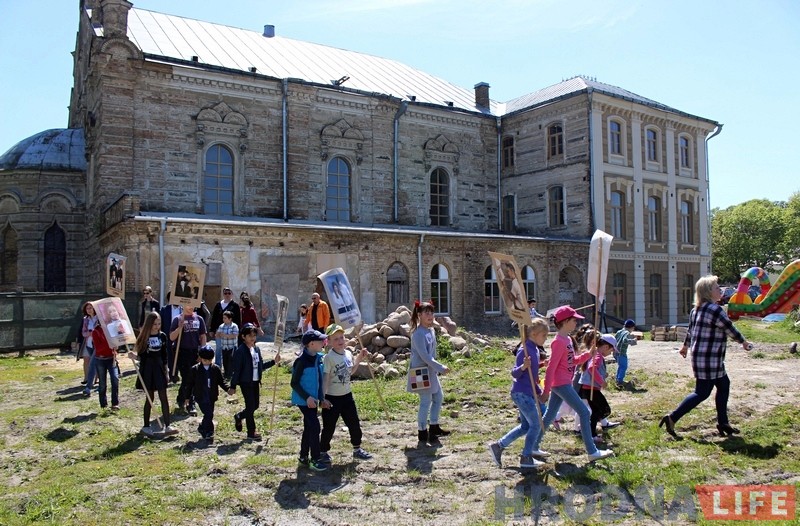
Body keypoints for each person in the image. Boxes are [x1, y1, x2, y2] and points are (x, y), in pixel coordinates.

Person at [660, 275, 752, 438]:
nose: (720, 290)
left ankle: (723, 423)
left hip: (703, 357)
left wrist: (685, 346)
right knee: (702, 392)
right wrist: (743, 342)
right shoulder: (715, 310)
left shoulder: (696, 310)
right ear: (708, 292)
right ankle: (672, 417)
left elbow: (690, 330)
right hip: (710, 358)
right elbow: (729, 328)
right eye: (717, 287)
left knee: (724, 385)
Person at [532, 306, 614, 461]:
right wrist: (546, 391)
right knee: (584, 412)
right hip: (561, 384)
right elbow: (551, 368)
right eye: (574, 320)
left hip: (563, 383)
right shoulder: (558, 342)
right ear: (565, 321)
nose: (576, 323)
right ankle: (592, 451)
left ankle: (533, 446)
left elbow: (573, 361)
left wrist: (588, 354)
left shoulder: (568, 339)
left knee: (549, 415)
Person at [487, 318, 550, 469]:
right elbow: (515, 373)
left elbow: (532, 376)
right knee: (536, 425)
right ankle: (526, 457)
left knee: (526, 426)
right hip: (521, 393)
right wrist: (523, 366)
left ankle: (498, 446)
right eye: (544, 335)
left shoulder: (535, 349)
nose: (546, 339)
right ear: (534, 334)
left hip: (527, 393)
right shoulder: (524, 350)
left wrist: (539, 390)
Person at [319, 324, 373, 464]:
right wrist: (322, 398)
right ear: (329, 342)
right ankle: (322, 451)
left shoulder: (348, 353)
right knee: (329, 427)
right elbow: (325, 378)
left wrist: (359, 358)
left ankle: (357, 449)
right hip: (332, 398)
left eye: (341, 337)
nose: (340, 341)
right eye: (335, 339)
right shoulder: (329, 358)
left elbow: (350, 371)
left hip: (347, 396)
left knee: (354, 423)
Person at [407, 300, 450, 444]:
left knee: (438, 397)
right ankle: (422, 432)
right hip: (420, 372)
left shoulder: (430, 330)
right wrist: (440, 367)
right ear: (419, 315)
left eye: (431, 312)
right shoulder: (417, 333)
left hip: (431, 371)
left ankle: (434, 427)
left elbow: (432, 353)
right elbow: (425, 356)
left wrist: (436, 368)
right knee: (425, 401)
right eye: (427, 313)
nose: (430, 315)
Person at [229, 323, 280, 441]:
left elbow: (260, 365)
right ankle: (251, 432)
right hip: (245, 382)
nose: (252, 338)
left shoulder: (256, 349)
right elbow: (237, 370)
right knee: (250, 406)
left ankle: (239, 416)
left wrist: (273, 362)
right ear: (243, 337)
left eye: (254, 335)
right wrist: (233, 386)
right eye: (250, 336)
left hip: (256, 382)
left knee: (255, 405)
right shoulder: (240, 351)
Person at [132, 311, 176, 435]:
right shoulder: (143, 338)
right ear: (149, 324)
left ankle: (168, 425)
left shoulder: (162, 336)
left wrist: (166, 369)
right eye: (154, 324)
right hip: (147, 369)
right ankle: (146, 426)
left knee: (164, 397)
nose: (157, 326)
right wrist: (134, 356)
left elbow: (164, 355)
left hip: (159, 368)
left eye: (159, 324)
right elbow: (141, 356)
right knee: (149, 398)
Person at [291, 329, 328, 471]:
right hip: (303, 401)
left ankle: (303, 457)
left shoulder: (318, 358)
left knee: (309, 427)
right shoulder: (301, 361)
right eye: (320, 341)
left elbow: (319, 380)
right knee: (315, 427)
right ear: (311, 344)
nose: (323, 342)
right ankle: (315, 459)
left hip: (313, 400)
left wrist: (321, 398)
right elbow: (294, 383)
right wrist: (307, 398)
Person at [578, 334, 617, 442]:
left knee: (596, 411)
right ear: (605, 347)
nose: (610, 353)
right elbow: (591, 369)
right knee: (605, 410)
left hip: (587, 389)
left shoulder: (595, 354)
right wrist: (602, 382)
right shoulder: (598, 356)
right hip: (591, 389)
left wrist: (603, 375)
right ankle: (587, 425)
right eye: (611, 350)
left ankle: (592, 434)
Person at [186, 345, 230, 443]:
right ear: (201, 358)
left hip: (211, 396)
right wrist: (187, 397)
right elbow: (189, 384)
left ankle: (203, 428)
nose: (207, 362)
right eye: (205, 360)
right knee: (208, 414)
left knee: (209, 414)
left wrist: (228, 389)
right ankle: (209, 431)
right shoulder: (195, 369)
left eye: (209, 360)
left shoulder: (215, 369)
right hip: (201, 396)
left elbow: (221, 381)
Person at [170, 304, 207, 416]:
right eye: (189, 304)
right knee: (187, 377)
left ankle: (181, 398)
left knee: (193, 378)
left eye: (193, 304)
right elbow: (171, 337)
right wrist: (179, 328)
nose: (191, 307)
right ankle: (191, 404)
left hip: (195, 352)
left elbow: (203, 336)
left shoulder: (199, 319)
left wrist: (202, 352)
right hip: (182, 352)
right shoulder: (177, 319)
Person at [90, 323, 120, 411]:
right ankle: (103, 404)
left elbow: (117, 343)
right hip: (100, 360)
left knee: (115, 379)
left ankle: (115, 403)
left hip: (112, 359)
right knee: (102, 383)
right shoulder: (96, 331)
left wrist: (116, 345)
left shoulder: (112, 329)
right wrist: (110, 344)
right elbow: (98, 348)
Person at [159, 294, 183, 378]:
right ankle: (171, 374)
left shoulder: (183, 310)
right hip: (167, 336)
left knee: (179, 355)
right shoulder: (164, 309)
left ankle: (177, 373)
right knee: (169, 356)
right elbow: (160, 323)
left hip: (180, 337)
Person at [80, 302, 99, 395]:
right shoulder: (85, 319)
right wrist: (89, 333)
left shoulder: (98, 318)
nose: (89, 310)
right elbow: (83, 332)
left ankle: (90, 386)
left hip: (98, 344)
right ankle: (89, 380)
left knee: (94, 363)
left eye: (91, 308)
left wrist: (94, 333)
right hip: (88, 343)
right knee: (89, 361)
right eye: (87, 308)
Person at [215, 311, 239, 379]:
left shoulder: (234, 326)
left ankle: (230, 374)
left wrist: (225, 335)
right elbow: (217, 335)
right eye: (223, 318)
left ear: (230, 319)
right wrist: (218, 334)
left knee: (231, 360)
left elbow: (235, 335)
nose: (223, 319)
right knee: (225, 360)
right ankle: (226, 373)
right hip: (224, 347)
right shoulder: (221, 326)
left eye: (225, 318)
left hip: (232, 347)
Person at [614, 319, 636, 386]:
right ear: (631, 327)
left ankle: (617, 379)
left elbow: (614, 339)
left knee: (620, 366)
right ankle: (620, 381)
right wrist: (633, 341)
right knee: (624, 366)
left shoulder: (619, 331)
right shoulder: (627, 333)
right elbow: (625, 340)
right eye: (633, 328)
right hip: (621, 353)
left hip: (615, 352)